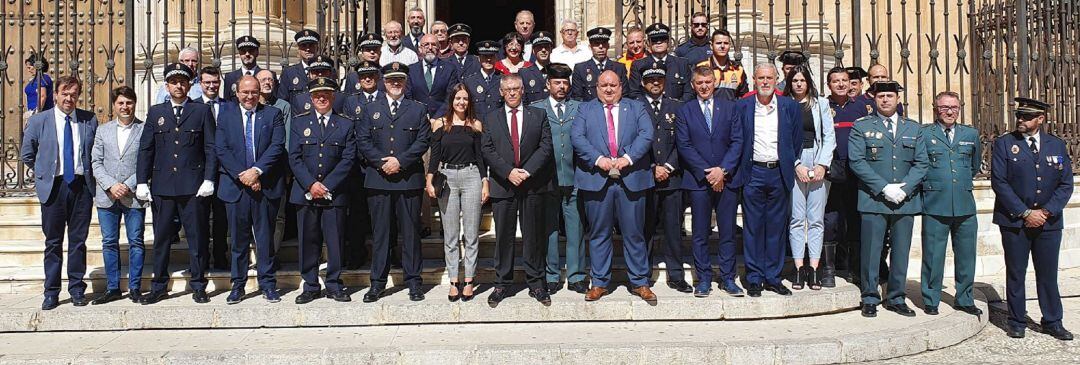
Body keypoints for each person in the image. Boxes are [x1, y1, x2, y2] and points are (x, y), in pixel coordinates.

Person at [991, 97, 1074, 340]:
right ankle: (1016, 319)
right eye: (1019, 116)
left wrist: (1046, 212)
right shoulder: (1005, 144)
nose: (1021, 120)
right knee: (1016, 272)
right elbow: (1000, 182)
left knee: (1047, 273)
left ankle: (1052, 320)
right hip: (1015, 221)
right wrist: (1026, 213)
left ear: (1041, 119)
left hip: (1049, 222)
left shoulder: (1056, 145)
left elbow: (1065, 184)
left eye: (1027, 117)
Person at [135, 63, 217, 305]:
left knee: (197, 238)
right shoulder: (155, 112)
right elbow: (146, 149)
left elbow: (210, 148)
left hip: (193, 187)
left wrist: (209, 178)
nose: (179, 86)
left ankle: (198, 284)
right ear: (167, 85)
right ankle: (159, 285)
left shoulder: (201, 111)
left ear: (189, 84)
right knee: (161, 239)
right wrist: (142, 181)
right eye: (174, 82)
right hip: (163, 187)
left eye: (183, 81)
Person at [571, 70, 656, 303]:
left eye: (613, 85)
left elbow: (647, 134)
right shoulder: (585, 109)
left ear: (621, 86)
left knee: (634, 233)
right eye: (603, 85)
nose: (608, 89)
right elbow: (577, 138)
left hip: (631, 178)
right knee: (599, 233)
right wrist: (599, 160)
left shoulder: (636, 107)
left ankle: (640, 282)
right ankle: (599, 282)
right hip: (597, 179)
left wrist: (627, 158)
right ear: (596, 87)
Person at [847, 80, 927, 318]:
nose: (885, 100)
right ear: (873, 99)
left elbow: (921, 163)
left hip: (905, 199)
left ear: (897, 100)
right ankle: (870, 296)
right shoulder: (861, 127)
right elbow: (857, 161)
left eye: (889, 96)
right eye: (880, 96)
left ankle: (896, 297)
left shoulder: (914, 128)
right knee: (872, 250)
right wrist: (883, 188)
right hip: (875, 199)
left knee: (901, 251)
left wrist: (906, 188)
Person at [20, 75, 98, 310]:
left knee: (78, 242)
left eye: (73, 94)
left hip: (80, 187)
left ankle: (76, 289)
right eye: (64, 93)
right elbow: (27, 154)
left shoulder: (88, 120)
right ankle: (51, 292)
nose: (69, 98)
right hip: (53, 188)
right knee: (53, 242)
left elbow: (94, 151)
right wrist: (43, 173)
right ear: (55, 95)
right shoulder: (39, 121)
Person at [357, 62, 431, 303]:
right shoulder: (370, 109)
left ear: (406, 82)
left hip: (408, 179)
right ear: (383, 82)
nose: (395, 83)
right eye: (390, 80)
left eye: (399, 79)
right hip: (378, 180)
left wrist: (400, 161)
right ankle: (378, 283)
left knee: (410, 233)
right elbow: (363, 140)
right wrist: (382, 163)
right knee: (381, 234)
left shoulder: (418, 109)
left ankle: (413, 282)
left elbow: (423, 141)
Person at [480, 73, 555, 305]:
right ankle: (502, 284)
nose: (512, 93)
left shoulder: (538, 115)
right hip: (504, 185)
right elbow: (487, 149)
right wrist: (508, 172)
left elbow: (545, 146)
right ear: (501, 92)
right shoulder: (491, 118)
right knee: (504, 236)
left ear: (523, 90)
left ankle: (536, 283)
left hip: (532, 184)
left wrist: (526, 171)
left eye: (516, 88)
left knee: (533, 236)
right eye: (508, 89)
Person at [731, 63, 802, 297]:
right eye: (760, 77)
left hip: (778, 172)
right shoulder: (742, 106)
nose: (764, 82)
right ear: (753, 79)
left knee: (776, 228)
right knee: (752, 227)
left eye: (769, 78)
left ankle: (772, 276)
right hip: (753, 172)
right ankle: (753, 278)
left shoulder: (789, 106)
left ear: (777, 79)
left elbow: (796, 140)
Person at [216, 76, 287, 304]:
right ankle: (238, 285)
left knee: (265, 239)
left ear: (260, 93)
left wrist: (256, 171)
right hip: (236, 187)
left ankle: (268, 284)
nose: (249, 97)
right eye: (245, 92)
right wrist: (244, 176)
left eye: (254, 92)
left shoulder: (272, 114)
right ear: (237, 93)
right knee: (238, 240)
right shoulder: (225, 115)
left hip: (265, 186)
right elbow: (222, 149)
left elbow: (277, 147)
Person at [676, 65, 743, 297]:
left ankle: (728, 278)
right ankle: (703, 278)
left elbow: (737, 141)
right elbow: (684, 145)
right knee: (700, 232)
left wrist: (722, 170)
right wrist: (708, 172)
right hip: (699, 181)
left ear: (714, 83)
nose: (704, 86)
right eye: (699, 83)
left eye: (708, 82)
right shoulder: (685, 111)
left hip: (727, 179)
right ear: (693, 85)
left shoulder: (730, 108)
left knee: (727, 232)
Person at [288, 77, 356, 304]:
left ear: (333, 96)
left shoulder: (345, 124)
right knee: (308, 241)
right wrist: (311, 184)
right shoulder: (299, 123)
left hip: (333, 193)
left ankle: (334, 284)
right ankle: (310, 285)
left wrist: (326, 185)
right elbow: (294, 157)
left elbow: (348, 158)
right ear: (311, 97)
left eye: (326, 93)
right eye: (317, 93)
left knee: (335, 241)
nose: (321, 97)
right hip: (305, 192)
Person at [918, 91, 982, 316]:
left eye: (954, 107)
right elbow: (920, 165)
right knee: (933, 255)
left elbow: (974, 166)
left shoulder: (970, 134)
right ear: (936, 109)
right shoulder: (925, 134)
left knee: (966, 256)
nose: (949, 111)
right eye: (945, 107)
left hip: (964, 204)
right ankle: (931, 298)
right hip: (935, 203)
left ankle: (964, 298)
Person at [427, 83, 488, 302]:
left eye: (465, 99)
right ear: (451, 100)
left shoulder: (476, 125)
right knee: (450, 234)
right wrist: (429, 179)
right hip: (447, 176)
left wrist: (484, 182)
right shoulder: (440, 124)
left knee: (471, 234)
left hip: (471, 176)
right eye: (457, 98)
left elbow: (481, 157)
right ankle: (454, 280)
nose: (461, 102)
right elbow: (434, 155)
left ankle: (469, 280)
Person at [530, 63, 588, 294]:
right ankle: (552, 274)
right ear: (548, 84)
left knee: (576, 229)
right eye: (557, 82)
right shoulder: (536, 108)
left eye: (565, 82)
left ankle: (576, 276)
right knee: (550, 229)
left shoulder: (580, 108)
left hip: (575, 177)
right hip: (547, 179)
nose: (561, 86)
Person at [89, 86, 145, 305]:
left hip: (133, 196)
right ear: (114, 105)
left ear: (134, 103)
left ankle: (135, 287)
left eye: (129, 102)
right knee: (110, 241)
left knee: (136, 241)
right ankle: (112, 287)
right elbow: (96, 162)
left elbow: (146, 162)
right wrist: (112, 185)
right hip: (107, 196)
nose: (125, 107)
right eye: (121, 103)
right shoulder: (103, 131)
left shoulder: (144, 129)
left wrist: (129, 184)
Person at [638, 62, 691, 293]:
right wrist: (651, 167)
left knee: (673, 230)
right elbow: (631, 142)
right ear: (643, 83)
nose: (655, 83)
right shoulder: (635, 107)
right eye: (650, 80)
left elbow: (684, 142)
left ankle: (676, 275)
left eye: (659, 80)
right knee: (644, 229)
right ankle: (643, 275)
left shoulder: (677, 107)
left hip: (672, 178)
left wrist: (668, 166)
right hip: (645, 177)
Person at [783, 65, 835, 290]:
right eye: (794, 80)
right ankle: (798, 266)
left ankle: (814, 267)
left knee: (815, 218)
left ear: (808, 82)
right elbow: (781, 138)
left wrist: (822, 164)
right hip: (794, 160)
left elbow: (829, 135)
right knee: (796, 218)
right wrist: (795, 165)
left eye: (802, 80)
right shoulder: (784, 104)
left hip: (817, 157)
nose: (798, 84)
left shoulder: (821, 104)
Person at [822, 67, 872, 287]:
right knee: (830, 220)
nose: (841, 84)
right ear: (829, 84)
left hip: (856, 171)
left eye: (844, 80)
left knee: (855, 220)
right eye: (836, 81)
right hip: (831, 171)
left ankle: (855, 269)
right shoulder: (823, 106)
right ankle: (830, 269)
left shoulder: (862, 108)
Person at [196, 66, 230, 270]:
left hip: (224, 170)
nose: (211, 85)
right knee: (198, 218)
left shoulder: (230, 106)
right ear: (200, 83)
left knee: (221, 217)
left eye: (215, 81)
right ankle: (199, 259)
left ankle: (220, 256)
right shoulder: (192, 106)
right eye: (207, 82)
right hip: (199, 171)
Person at [629, 23, 693, 101]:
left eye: (662, 39)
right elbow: (634, 93)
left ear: (668, 41)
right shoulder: (638, 65)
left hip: (677, 111)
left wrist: (676, 108)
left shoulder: (682, 64)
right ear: (648, 43)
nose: (659, 42)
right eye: (654, 40)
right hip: (647, 111)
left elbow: (688, 93)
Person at [407, 34, 461, 118]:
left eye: (433, 44)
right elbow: (408, 97)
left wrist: (436, 118)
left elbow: (450, 96)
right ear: (420, 49)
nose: (430, 47)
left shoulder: (449, 69)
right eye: (426, 45)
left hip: (442, 120)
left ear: (439, 48)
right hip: (416, 118)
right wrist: (421, 116)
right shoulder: (411, 70)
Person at [570, 27, 628, 101]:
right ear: (590, 47)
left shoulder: (619, 68)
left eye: (604, 43)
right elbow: (577, 97)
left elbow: (625, 95)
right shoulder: (580, 69)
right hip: (589, 110)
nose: (601, 47)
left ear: (608, 46)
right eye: (596, 44)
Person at [695, 29, 748, 101]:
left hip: (732, 111)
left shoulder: (738, 70)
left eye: (726, 43)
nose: (722, 46)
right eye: (718, 43)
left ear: (730, 45)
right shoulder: (700, 67)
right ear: (711, 45)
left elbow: (744, 96)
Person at [461, 41, 505, 118]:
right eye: (485, 56)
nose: (488, 59)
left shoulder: (504, 79)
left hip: (498, 126)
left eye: (491, 56)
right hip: (476, 127)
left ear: (496, 58)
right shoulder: (469, 82)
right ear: (479, 59)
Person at [278, 29, 321, 101]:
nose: (308, 49)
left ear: (317, 48)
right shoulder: (289, 73)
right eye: (304, 46)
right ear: (299, 50)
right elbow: (283, 100)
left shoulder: (327, 71)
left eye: (311, 45)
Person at [223, 36, 263, 100]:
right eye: (243, 51)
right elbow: (227, 103)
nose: (247, 54)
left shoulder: (266, 76)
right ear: (239, 54)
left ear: (257, 52)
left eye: (251, 51)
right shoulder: (230, 77)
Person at [520, 31, 554, 104]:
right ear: (533, 51)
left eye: (546, 47)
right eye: (539, 47)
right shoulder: (524, 74)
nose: (543, 50)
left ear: (551, 49)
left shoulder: (558, 71)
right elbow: (523, 102)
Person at [23, 53, 53, 118]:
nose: (28, 70)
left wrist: (36, 112)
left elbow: (43, 96)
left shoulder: (43, 78)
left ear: (36, 66)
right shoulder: (35, 79)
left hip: (42, 114)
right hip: (33, 113)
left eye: (29, 68)